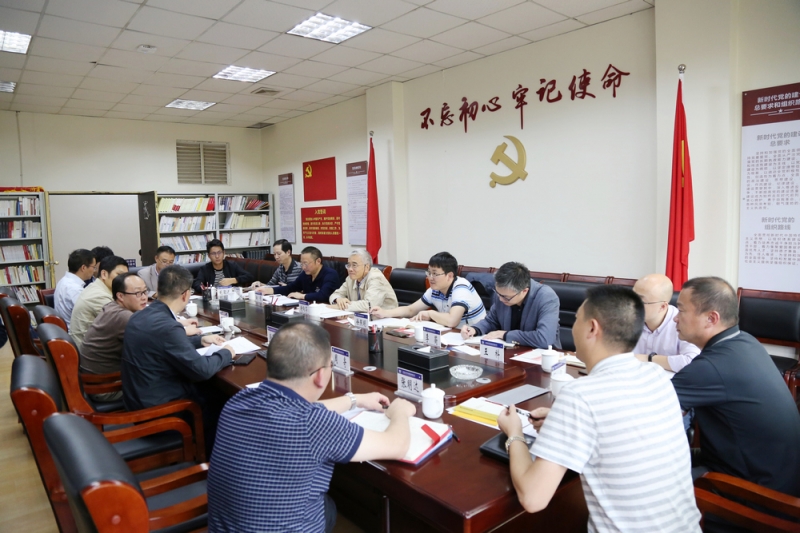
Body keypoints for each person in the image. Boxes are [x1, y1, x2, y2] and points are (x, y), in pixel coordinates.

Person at [497, 285, 700, 532]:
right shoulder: (657, 375)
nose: (573, 327)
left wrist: (514, 433)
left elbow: (533, 498)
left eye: (576, 320)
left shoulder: (580, 395)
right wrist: (561, 420)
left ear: (592, 328)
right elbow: (618, 425)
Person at [207, 322, 416, 533]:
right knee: (328, 507)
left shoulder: (239, 401)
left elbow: (298, 410)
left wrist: (354, 400)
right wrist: (399, 411)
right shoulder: (314, 424)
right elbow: (397, 446)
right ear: (320, 375)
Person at [670, 277, 800, 518]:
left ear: (711, 318)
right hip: (778, 476)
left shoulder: (711, 367)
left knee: (647, 480)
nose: (675, 318)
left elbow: (648, 414)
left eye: (681, 310)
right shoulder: (745, 341)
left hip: (756, 493)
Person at [122, 265, 238, 449]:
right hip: (161, 412)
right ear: (185, 295)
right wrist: (226, 352)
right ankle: (209, 456)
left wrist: (200, 340)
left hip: (138, 400)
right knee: (227, 402)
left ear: (158, 289)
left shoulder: (140, 315)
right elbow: (201, 370)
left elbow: (161, 345)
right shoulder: (168, 326)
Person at [371, 252, 486, 328]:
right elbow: (411, 309)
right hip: (453, 336)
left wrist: (430, 314)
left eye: (435, 274)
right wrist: (385, 312)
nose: (430, 277)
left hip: (474, 339)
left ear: (450, 276)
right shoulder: (435, 289)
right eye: (429, 273)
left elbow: (452, 321)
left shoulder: (461, 288)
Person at [461, 261, 560, 348]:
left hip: (542, 356)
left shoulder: (546, 298)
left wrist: (505, 335)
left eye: (506, 297)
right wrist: (475, 329)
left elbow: (544, 338)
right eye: (498, 294)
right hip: (510, 352)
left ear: (524, 291)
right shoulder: (502, 294)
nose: (500, 299)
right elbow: (491, 321)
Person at [632, 273, 700, 372]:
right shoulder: (624, 318)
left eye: (640, 301)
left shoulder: (682, 323)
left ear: (662, 306)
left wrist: (649, 358)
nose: (632, 304)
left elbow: (693, 362)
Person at [69, 255, 129, 350]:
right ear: (104, 274)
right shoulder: (98, 295)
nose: (124, 280)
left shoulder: (97, 287)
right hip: (89, 352)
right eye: (119, 275)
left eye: (126, 276)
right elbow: (124, 321)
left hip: (93, 345)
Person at [255, 246, 338, 303]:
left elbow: (323, 296)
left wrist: (302, 296)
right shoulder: (305, 274)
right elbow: (290, 288)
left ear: (318, 261)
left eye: (306, 263)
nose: (303, 267)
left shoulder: (330, 274)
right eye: (301, 263)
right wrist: (269, 290)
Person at [328, 249, 398, 312]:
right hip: (361, 318)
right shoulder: (351, 278)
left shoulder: (376, 278)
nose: (350, 269)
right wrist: (338, 299)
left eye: (354, 265)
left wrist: (340, 307)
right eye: (349, 265)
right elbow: (335, 294)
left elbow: (368, 305)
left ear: (366, 267)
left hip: (387, 319)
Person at [54, 249, 96, 329]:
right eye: (93, 267)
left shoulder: (64, 280)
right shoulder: (75, 289)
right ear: (83, 268)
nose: (94, 271)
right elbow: (88, 315)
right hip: (74, 331)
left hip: (64, 329)